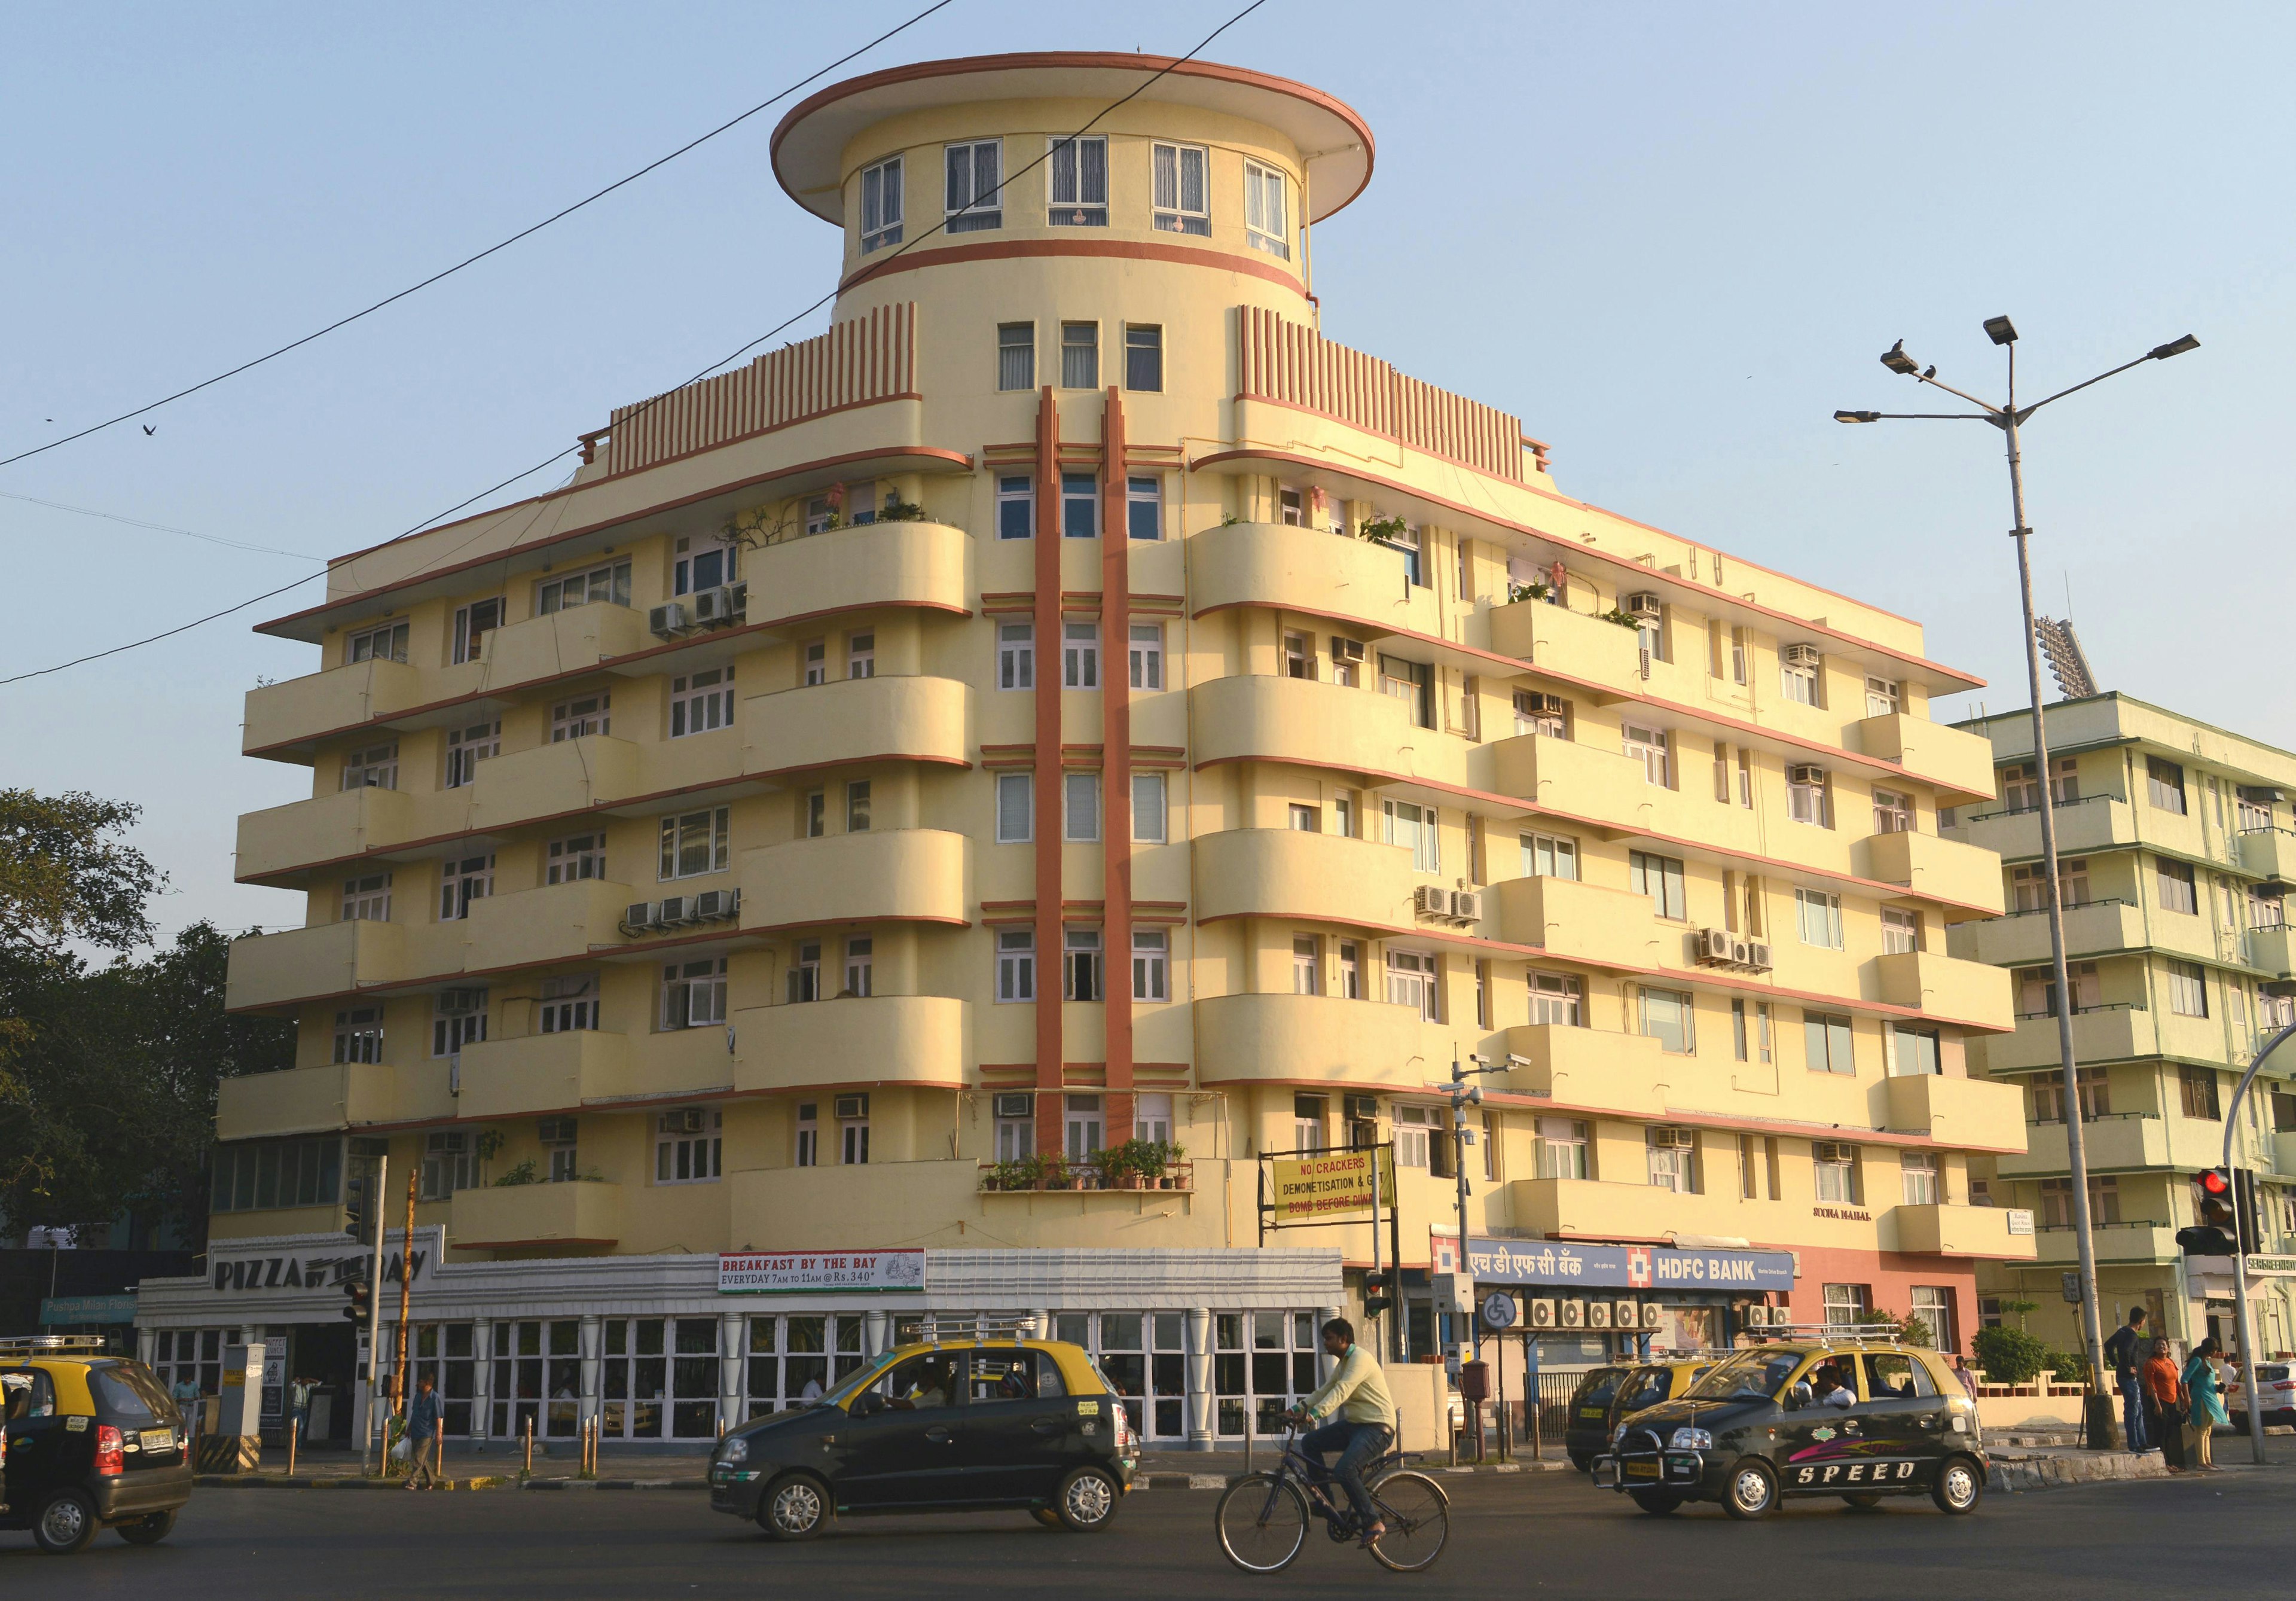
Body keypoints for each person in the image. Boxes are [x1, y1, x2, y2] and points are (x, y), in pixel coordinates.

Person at [1286, 1318, 1397, 1550]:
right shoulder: (1344, 1363)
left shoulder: (1360, 1359)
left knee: (1344, 1470)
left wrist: (1313, 1415)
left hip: (1377, 1427)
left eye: (1329, 1338)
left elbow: (1342, 1391)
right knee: (1310, 1442)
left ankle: (1374, 1522)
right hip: (1356, 1425)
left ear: (1344, 1339)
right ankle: (1326, 1501)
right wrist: (1295, 1409)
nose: (1325, 1343)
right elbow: (1325, 1390)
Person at [2102, 1306, 2151, 1451]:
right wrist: (2128, 1366)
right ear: (2141, 1321)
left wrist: (2114, 1362)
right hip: (2129, 1377)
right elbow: (2126, 1351)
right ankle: (2135, 1444)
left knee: (2139, 1410)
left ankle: (2142, 1442)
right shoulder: (2132, 1335)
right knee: (2133, 1411)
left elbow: (2108, 1345)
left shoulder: (2122, 1331)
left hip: (2122, 1375)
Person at [2181, 1337, 2226, 1473]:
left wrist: (2218, 1388)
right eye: (2214, 1350)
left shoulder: (2207, 1362)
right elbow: (2184, 1379)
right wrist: (2187, 1397)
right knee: (2200, 1429)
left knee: (2208, 1430)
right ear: (2209, 1350)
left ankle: (2208, 1461)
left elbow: (2208, 1382)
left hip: (2210, 1396)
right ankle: (2201, 1462)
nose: (2214, 1353)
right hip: (2200, 1397)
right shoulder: (2197, 1361)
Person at [2142, 1337, 2185, 1473]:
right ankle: (2164, 1462)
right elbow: (2151, 1385)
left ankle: (2171, 1462)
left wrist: (2183, 1399)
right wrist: (2157, 1405)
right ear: (2155, 1348)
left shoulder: (2171, 1362)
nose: (2162, 1347)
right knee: (2160, 1433)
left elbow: (2176, 1383)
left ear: (2168, 1348)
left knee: (2169, 1433)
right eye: (2158, 1345)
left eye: (2164, 1345)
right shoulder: (2151, 1363)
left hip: (2172, 1402)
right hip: (2159, 1401)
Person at [402, 1373, 444, 1490]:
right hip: (415, 1431)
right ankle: (432, 1480)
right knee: (421, 1458)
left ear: (427, 1383)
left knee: (419, 1459)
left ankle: (412, 1482)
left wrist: (438, 1434)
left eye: (420, 1382)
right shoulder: (418, 1396)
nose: (418, 1384)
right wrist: (409, 1429)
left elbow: (438, 1417)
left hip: (426, 1432)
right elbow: (414, 1414)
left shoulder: (435, 1398)